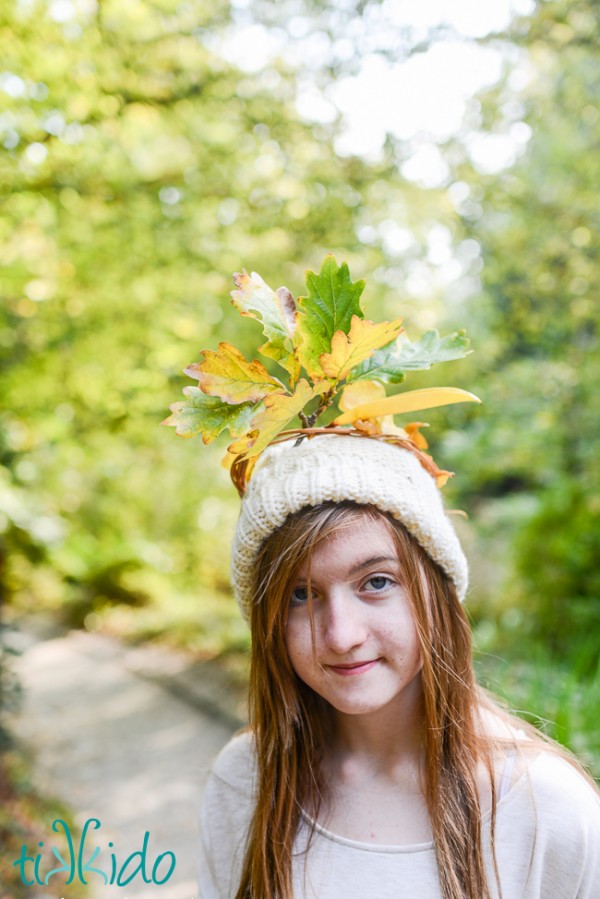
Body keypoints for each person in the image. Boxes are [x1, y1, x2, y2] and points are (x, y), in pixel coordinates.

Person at [196, 431, 600, 899]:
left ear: (438, 589)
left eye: (377, 581)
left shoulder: (547, 810)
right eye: (301, 595)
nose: (342, 635)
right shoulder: (246, 779)